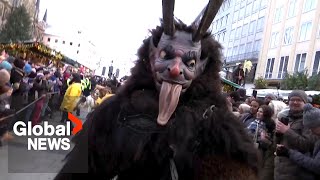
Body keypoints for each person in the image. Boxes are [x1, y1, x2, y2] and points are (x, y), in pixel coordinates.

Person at [55, 1, 260, 179]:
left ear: (202, 67)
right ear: (151, 56)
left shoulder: (218, 124)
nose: (175, 69)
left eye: (189, 62)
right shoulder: (116, 112)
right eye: (166, 55)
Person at [274, 90, 319, 180]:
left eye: (299, 100)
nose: (295, 102)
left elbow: (307, 145)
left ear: (305, 102)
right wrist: (278, 134)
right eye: (292, 99)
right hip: (280, 168)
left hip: (297, 172)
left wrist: (287, 131)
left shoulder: (310, 121)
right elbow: (276, 144)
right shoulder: (285, 118)